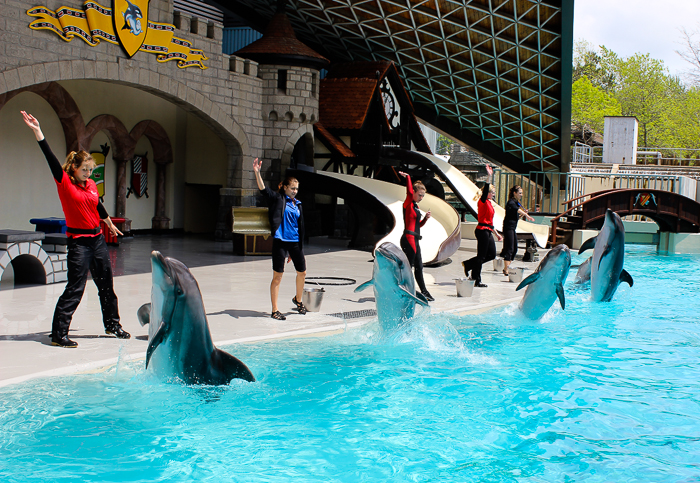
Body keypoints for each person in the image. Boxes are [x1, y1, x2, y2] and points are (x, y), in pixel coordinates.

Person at [21, 111, 130, 348]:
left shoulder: (90, 184)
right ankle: (58, 334)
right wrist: (37, 131)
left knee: (106, 285)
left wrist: (107, 220)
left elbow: (96, 203)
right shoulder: (64, 182)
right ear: (74, 168)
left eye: (91, 171)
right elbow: (49, 157)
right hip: (79, 243)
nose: (89, 175)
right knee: (75, 288)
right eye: (84, 170)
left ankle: (112, 325)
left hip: (98, 240)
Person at [252, 157, 307, 320]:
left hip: (294, 243)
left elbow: (300, 226)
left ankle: (298, 300)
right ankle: (275, 310)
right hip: (280, 242)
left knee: (302, 272)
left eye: (296, 189)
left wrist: (297, 246)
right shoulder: (277, 198)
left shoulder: (298, 204)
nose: (295, 191)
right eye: (292, 188)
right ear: (284, 187)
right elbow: (263, 190)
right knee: (278, 276)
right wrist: (257, 173)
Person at [462, 165, 503, 288]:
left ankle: (469, 264)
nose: (494, 194)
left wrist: (496, 233)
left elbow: (490, 221)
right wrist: (489, 176)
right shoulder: (483, 201)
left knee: (491, 254)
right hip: (482, 231)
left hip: (488, 230)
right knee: (481, 256)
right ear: (488, 193)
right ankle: (476, 279)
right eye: (493, 192)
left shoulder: (490, 203)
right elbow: (485, 191)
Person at [398, 171, 434, 301]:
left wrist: (425, 219)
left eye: (423, 196)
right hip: (408, 240)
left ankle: (424, 291)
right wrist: (408, 177)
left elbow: (418, 225)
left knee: (419, 266)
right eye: (420, 195)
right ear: (413, 192)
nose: (421, 198)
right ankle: (404, 290)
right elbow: (408, 191)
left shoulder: (415, 206)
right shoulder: (408, 203)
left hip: (415, 239)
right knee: (408, 268)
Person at [501, 185, 535, 276]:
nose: (521, 195)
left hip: (512, 228)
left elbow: (516, 216)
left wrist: (523, 215)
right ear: (514, 193)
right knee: (509, 248)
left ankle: (506, 267)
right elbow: (517, 210)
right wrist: (527, 215)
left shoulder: (516, 202)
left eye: (522, 193)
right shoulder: (511, 202)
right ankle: (506, 269)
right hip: (508, 228)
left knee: (515, 249)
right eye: (520, 193)